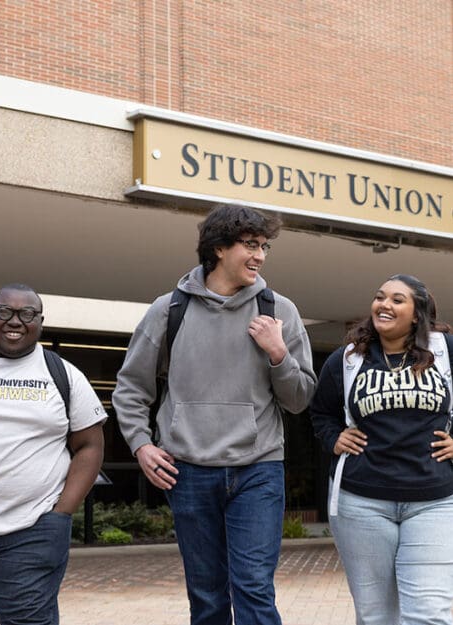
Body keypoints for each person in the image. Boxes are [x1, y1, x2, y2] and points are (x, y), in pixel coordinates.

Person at [113, 203, 316, 625]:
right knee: (206, 594)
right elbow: (132, 387)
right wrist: (141, 445)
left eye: (264, 246)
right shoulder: (168, 310)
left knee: (254, 587)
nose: (260, 255)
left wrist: (279, 353)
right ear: (219, 248)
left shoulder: (279, 311)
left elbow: (299, 400)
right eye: (250, 245)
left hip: (258, 468)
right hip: (187, 469)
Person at [0, 283, 106, 625]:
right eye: (5, 311)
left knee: (27, 620)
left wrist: (61, 513)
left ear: (40, 321)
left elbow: (90, 446)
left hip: (32, 527)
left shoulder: (63, 375)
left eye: (27, 314)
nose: (15, 321)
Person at [310, 274, 453, 625]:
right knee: (376, 616)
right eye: (380, 297)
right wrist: (334, 438)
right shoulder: (347, 360)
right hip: (361, 501)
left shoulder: (445, 350)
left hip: (435, 500)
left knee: (429, 613)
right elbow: (321, 412)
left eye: (397, 299)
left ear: (417, 313)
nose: (384, 305)